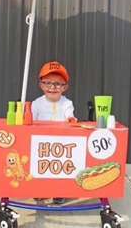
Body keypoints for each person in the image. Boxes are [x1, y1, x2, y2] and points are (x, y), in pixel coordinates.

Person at [32, 61, 76, 206]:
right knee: (41, 167)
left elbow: (70, 116)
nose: (52, 87)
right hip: (41, 144)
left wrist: (71, 119)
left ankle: (60, 191)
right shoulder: (36, 103)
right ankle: (40, 190)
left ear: (65, 87)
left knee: (61, 167)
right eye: (48, 83)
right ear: (41, 85)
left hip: (61, 144)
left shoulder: (67, 103)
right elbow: (30, 122)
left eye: (58, 84)